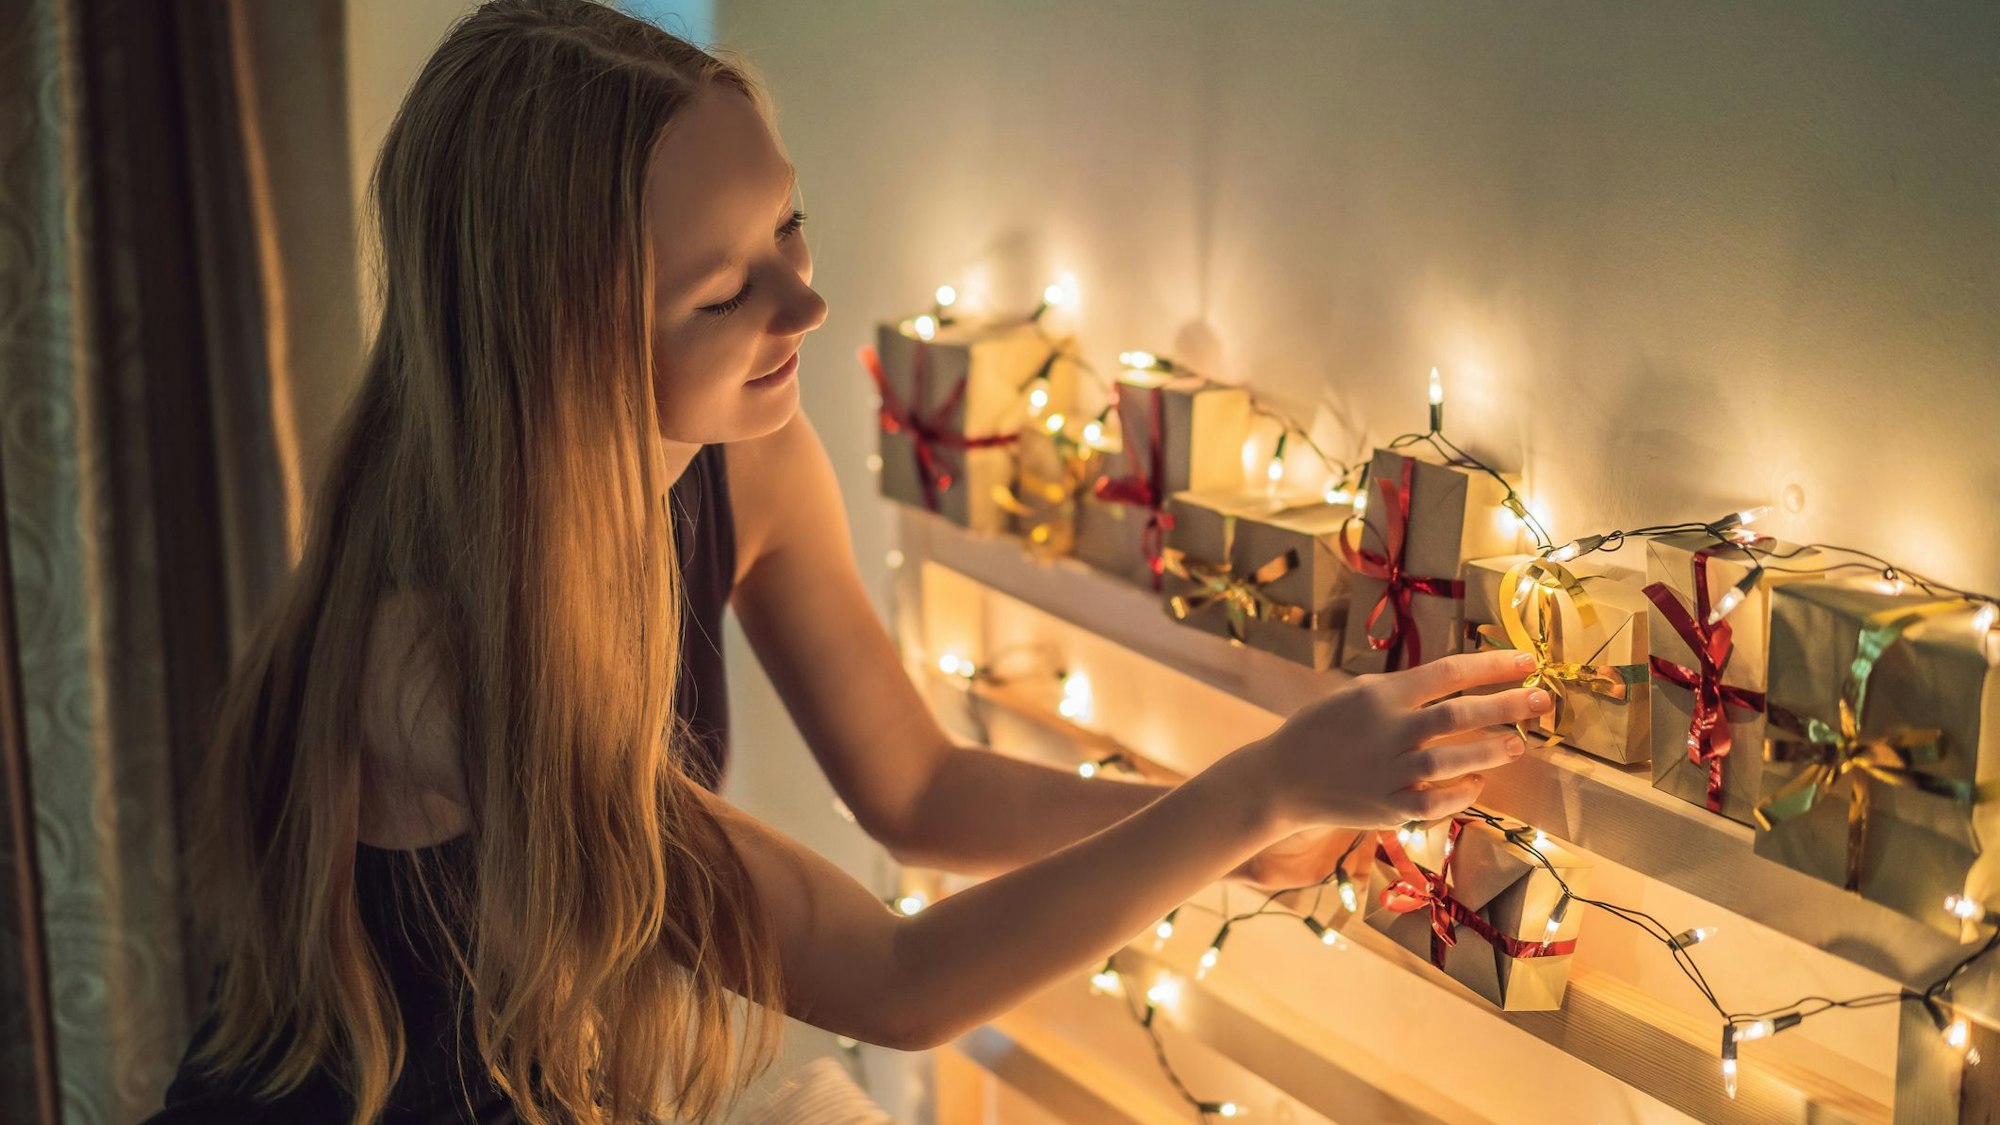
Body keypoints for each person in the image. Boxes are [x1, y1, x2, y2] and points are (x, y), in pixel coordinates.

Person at [144, 1, 1550, 1122]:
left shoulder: (742, 456)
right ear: (567, 348)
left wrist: (1220, 827)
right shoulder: (436, 660)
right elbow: (897, 976)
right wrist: (1261, 786)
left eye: (789, 230)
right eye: (725, 288)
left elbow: (916, 785)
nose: (806, 303)